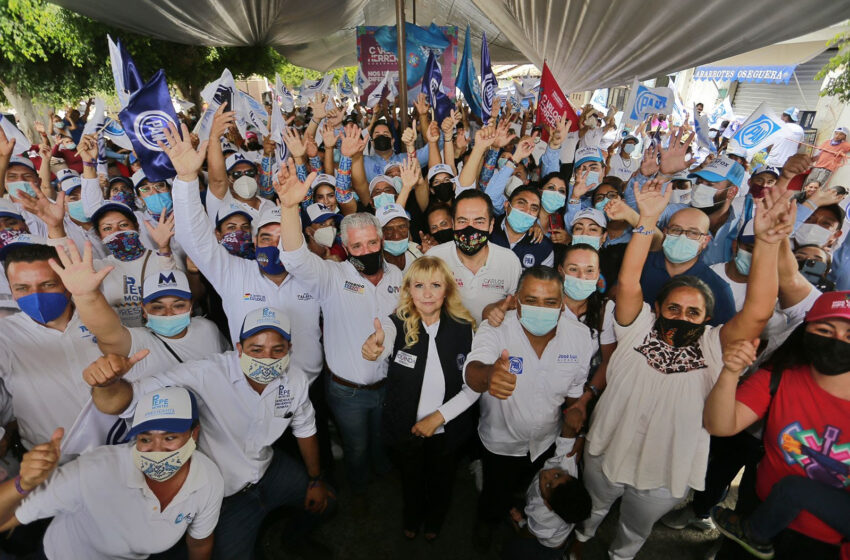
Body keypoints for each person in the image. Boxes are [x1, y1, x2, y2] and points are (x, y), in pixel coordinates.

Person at [571, 173, 792, 560]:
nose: (682, 317)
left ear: (708, 320)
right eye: (673, 308)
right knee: (593, 507)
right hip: (607, 448)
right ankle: (581, 540)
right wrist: (646, 221)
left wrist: (769, 245)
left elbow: (758, 311)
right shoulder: (637, 325)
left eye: (694, 312)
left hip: (665, 465)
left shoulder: (712, 345)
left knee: (635, 529)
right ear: (657, 309)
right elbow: (627, 282)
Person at [85, 306, 332, 559]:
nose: (265, 359)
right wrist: (106, 385)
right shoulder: (204, 374)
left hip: (270, 469)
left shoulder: (295, 380)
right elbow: (121, 403)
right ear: (239, 348)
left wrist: (315, 479)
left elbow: (304, 427)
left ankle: (294, 540)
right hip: (227, 496)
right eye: (256, 350)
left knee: (327, 502)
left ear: (289, 350)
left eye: (276, 350)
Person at [276, 158, 402, 496]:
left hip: (388, 385)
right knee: (356, 449)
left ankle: (383, 479)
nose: (366, 250)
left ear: (381, 241)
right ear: (345, 248)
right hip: (348, 392)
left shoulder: (398, 277)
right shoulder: (331, 276)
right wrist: (289, 208)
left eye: (372, 243)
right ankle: (361, 493)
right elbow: (294, 258)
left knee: (382, 441)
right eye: (357, 246)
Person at [161, 123, 323, 381]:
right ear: (255, 242)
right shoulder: (233, 274)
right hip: (252, 387)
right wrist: (186, 179)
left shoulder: (315, 275)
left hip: (309, 386)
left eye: (283, 238)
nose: (274, 246)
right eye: (266, 237)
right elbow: (195, 239)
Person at [704, 290, 850, 560]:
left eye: (849, 335)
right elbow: (720, 425)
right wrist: (730, 372)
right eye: (826, 330)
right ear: (807, 330)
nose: (838, 341)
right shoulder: (779, 377)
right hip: (759, 512)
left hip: (831, 543)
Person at [0, 386, 224, 560]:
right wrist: (24, 483)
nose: (157, 450)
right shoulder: (96, 469)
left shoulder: (207, 479)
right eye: (145, 439)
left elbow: (200, 543)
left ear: (194, 434)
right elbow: (5, 521)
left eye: (169, 437)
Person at [463, 266, 594, 550]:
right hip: (501, 443)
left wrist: (578, 432)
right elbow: (473, 369)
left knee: (533, 487)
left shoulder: (581, 337)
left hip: (546, 441)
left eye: (550, 302)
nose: (541, 308)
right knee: (494, 493)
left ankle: (526, 513)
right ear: (517, 300)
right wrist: (488, 377)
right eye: (531, 300)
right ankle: (486, 525)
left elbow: (574, 392)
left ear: (562, 305)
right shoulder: (496, 328)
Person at [361, 256, 478, 541]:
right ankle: (412, 516)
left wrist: (438, 418)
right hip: (407, 429)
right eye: (419, 285)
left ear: (447, 290)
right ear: (408, 290)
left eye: (435, 285)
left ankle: (435, 521)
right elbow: (384, 339)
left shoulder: (465, 329)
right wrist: (375, 346)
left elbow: (474, 387)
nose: (427, 293)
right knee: (411, 480)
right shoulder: (395, 325)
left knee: (442, 480)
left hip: (446, 430)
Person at [48, 239, 228, 371]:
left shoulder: (208, 328)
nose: (168, 313)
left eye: (178, 305)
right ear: (144, 310)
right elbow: (107, 332)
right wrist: (86, 295)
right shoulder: (136, 342)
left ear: (191, 307)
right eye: (157, 307)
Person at [428, 189, 522, 324]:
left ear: (491, 225)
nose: (469, 228)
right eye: (462, 221)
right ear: (453, 224)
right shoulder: (434, 258)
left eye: (479, 221)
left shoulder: (509, 261)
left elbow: (514, 308)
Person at [503, 424, 593, 559]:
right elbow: (568, 435)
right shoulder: (568, 469)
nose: (547, 474)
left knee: (516, 551)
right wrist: (578, 430)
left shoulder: (541, 516)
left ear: (548, 505)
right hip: (556, 533)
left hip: (547, 547)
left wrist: (521, 522)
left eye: (549, 485)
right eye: (558, 476)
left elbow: (529, 532)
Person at [640, 205, 738, 326]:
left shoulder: (717, 287)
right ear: (665, 232)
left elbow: (724, 337)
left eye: (693, 233)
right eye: (676, 230)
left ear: (705, 241)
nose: (682, 237)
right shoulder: (640, 264)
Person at [490, 185, 555, 269]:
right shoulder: (487, 230)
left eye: (534, 208)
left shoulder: (544, 248)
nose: (527, 211)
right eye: (521, 203)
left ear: (537, 216)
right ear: (506, 205)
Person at [376, 203, 422, 273]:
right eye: (389, 229)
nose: (396, 236)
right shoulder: (375, 263)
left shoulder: (417, 250)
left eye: (402, 227)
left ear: (408, 227)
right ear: (379, 232)